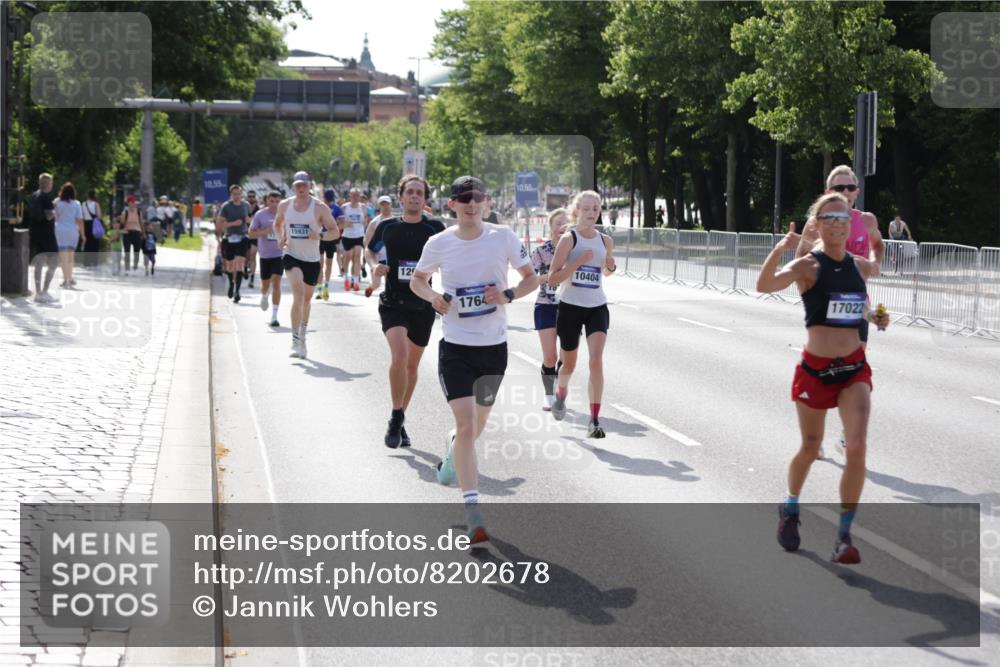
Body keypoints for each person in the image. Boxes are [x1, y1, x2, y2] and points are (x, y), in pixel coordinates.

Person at [757, 193, 891, 565]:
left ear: (851, 225)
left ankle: (843, 536)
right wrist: (780, 250)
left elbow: (858, 306)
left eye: (843, 218)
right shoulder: (807, 266)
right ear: (817, 224)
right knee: (811, 447)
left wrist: (877, 316)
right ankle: (791, 505)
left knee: (857, 445)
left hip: (853, 369)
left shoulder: (859, 266)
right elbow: (764, 286)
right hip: (815, 371)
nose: (837, 223)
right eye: (829, 217)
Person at [410, 175, 538, 546]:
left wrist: (508, 294)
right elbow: (417, 280)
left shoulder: (503, 237)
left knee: (474, 428)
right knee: (467, 427)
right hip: (456, 347)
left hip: (494, 347)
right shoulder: (439, 242)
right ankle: (473, 512)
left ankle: (453, 455)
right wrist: (432, 297)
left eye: (477, 197)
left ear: (486, 203)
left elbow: (531, 278)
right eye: (463, 198)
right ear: (452, 205)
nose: (470, 203)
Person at [795, 165, 884, 458]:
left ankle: (848, 435)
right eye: (838, 188)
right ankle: (814, 435)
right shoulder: (816, 223)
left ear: (857, 191)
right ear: (827, 192)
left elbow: (877, 245)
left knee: (857, 369)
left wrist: (871, 263)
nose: (845, 193)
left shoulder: (867, 219)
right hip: (824, 307)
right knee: (822, 372)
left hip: (857, 305)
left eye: (850, 188)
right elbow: (798, 260)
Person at [365, 176, 445, 449]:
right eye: (409, 192)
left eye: (419, 193)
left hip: (423, 304)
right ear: (401, 198)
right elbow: (370, 250)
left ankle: (399, 418)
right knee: (399, 356)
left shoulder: (435, 228)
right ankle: (396, 417)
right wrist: (376, 266)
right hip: (393, 302)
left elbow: (450, 257)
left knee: (411, 366)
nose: (413, 196)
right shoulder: (387, 227)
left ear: (425, 199)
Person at [547, 190, 617, 438]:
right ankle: (561, 393)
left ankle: (594, 420)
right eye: (586, 208)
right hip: (570, 307)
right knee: (569, 364)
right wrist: (577, 262)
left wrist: (610, 266)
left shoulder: (605, 240)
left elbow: (606, 272)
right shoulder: (569, 239)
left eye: (595, 209)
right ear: (576, 211)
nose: (591, 213)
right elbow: (553, 279)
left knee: (596, 360)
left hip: (597, 306)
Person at [273, 171, 339, 359]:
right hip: (291, 254)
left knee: (307, 300)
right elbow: (277, 224)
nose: (301, 188)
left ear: (309, 186)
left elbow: (335, 232)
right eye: (297, 185)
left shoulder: (320, 208)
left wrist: (320, 235)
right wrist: (280, 238)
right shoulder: (285, 205)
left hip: (311, 259)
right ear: (293, 186)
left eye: (304, 185)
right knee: (298, 292)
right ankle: (294, 340)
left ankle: (302, 335)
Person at [530, 208, 568, 411]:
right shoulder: (541, 252)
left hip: (570, 307)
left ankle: (560, 390)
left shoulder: (574, 250)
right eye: (557, 224)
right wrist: (548, 278)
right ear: (550, 228)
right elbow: (528, 276)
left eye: (566, 224)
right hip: (545, 306)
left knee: (566, 357)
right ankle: (548, 394)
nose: (561, 228)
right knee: (550, 357)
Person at [247, 191, 284, 326]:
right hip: (264, 255)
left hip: (279, 254)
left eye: (277, 201)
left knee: (276, 282)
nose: (274, 204)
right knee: (265, 285)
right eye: (272, 201)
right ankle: (264, 296)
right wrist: (265, 231)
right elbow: (250, 234)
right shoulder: (260, 214)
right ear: (267, 201)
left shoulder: (284, 215)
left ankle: (274, 316)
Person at [216, 185, 252, 303]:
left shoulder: (246, 205)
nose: (237, 196)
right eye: (234, 194)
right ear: (231, 195)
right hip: (229, 238)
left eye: (239, 194)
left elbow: (250, 220)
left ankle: (237, 291)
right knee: (230, 267)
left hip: (242, 238)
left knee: (240, 264)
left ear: (242, 194)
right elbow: (220, 224)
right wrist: (233, 223)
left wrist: (248, 221)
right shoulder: (226, 206)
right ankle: (231, 282)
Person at [27, 173, 59, 303]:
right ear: (48, 184)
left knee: (39, 262)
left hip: (35, 232)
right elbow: (48, 216)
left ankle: (38, 292)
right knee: (54, 262)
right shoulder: (46, 197)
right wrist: (55, 210)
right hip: (47, 234)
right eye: (51, 182)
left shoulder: (34, 195)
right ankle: (45, 291)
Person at [53, 182, 84, 289]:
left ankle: (65, 279)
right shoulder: (77, 204)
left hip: (60, 230)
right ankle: (70, 278)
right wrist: (83, 234)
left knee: (63, 257)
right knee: (71, 256)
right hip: (72, 231)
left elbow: (54, 215)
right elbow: (79, 220)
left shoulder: (57, 202)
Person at [363, 194, 394, 298]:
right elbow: (367, 243)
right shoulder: (374, 223)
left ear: (391, 205)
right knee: (376, 284)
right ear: (380, 206)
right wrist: (372, 262)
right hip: (377, 258)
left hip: (391, 258)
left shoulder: (396, 222)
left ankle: (387, 302)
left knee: (390, 285)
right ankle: (371, 287)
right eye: (382, 204)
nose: (385, 207)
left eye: (387, 204)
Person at [340, 187, 370, 292]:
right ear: (350, 196)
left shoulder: (363, 208)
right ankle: (346, 279)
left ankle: (356, 282)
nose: (356, 197)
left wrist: (365, 222)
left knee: (357, 256)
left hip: (359, 235)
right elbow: (339, 224)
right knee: (348, 257)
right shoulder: (344, 207)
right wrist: (345, 224)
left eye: (358, 195)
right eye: (354, 195)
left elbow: (366, 222)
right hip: (347, 236)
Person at [317, 189, 344, 301]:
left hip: (330, 238)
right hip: (320, 237)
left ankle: (325, 288)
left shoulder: (336, 208)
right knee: (320, 264)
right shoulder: (319, 207)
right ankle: (320, 289)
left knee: (328, 264)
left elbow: (343, 221)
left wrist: (337, 227)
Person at [120, 195, 145, 275]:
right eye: (131, 202)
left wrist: (144, 233)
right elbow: (122, 224)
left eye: (134, 202)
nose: (133, 204)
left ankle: (135, 266)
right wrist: (122, 230)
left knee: (137, 250)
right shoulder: (125, 212)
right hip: (127, 233)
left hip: (137, 232)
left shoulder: (138, 211)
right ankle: (127, 267)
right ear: (128, 203)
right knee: (127, 250)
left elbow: (141, 222)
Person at [81, 190, 103, 267]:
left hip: (86, 224)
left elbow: (82, 216)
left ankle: (86, 262)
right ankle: (94, 262)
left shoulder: (83, 204)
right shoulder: (96, 204)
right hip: (94, 225)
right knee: (94, 244)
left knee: (87, 244)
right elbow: (99, 216)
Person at [245, 190, 260, 288]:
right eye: (249, 196)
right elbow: (245, 219)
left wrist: (251, 220)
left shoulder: (259, 209)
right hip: (245, 234)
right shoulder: (244, 207)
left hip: (255, 235)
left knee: (253, 255)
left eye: (253, 196)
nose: (251, 198)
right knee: (246, 255)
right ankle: (245, 268)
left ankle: (252, 278)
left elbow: (255, 220)